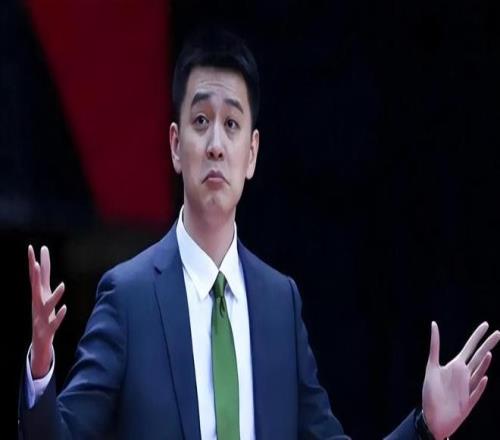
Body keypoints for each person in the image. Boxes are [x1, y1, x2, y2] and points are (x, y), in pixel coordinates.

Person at [19, 29, 500, 440]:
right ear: (175, 145)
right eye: (201, 121)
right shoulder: (128, 297)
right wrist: (41, 369)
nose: (215, 145)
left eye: (231, 124)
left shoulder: (279, 304)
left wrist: (424, 427)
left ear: (251, 153)